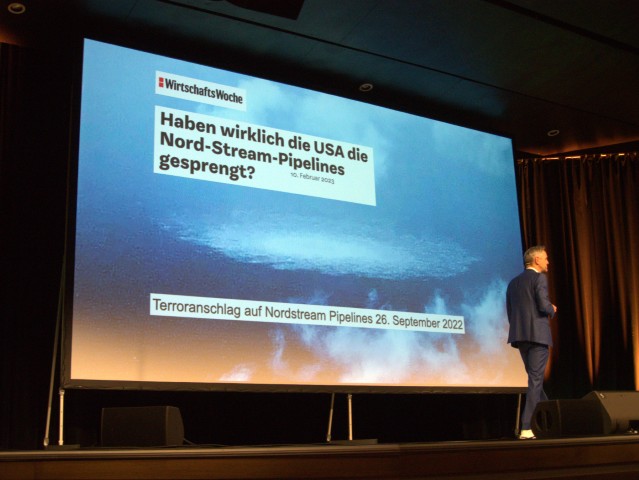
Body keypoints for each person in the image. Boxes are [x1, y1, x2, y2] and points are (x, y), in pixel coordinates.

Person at [506, 245, 557, 439]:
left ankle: (552, 420)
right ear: (536, 260)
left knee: (535, 382)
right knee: (535, 381)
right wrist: (552, 308)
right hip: (537, 336)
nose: (548, 262)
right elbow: (543, 305)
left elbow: (510, 312)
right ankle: (526, 427)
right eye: (545, 258)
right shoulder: (539, 278)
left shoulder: (513, 283)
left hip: (520, 337)